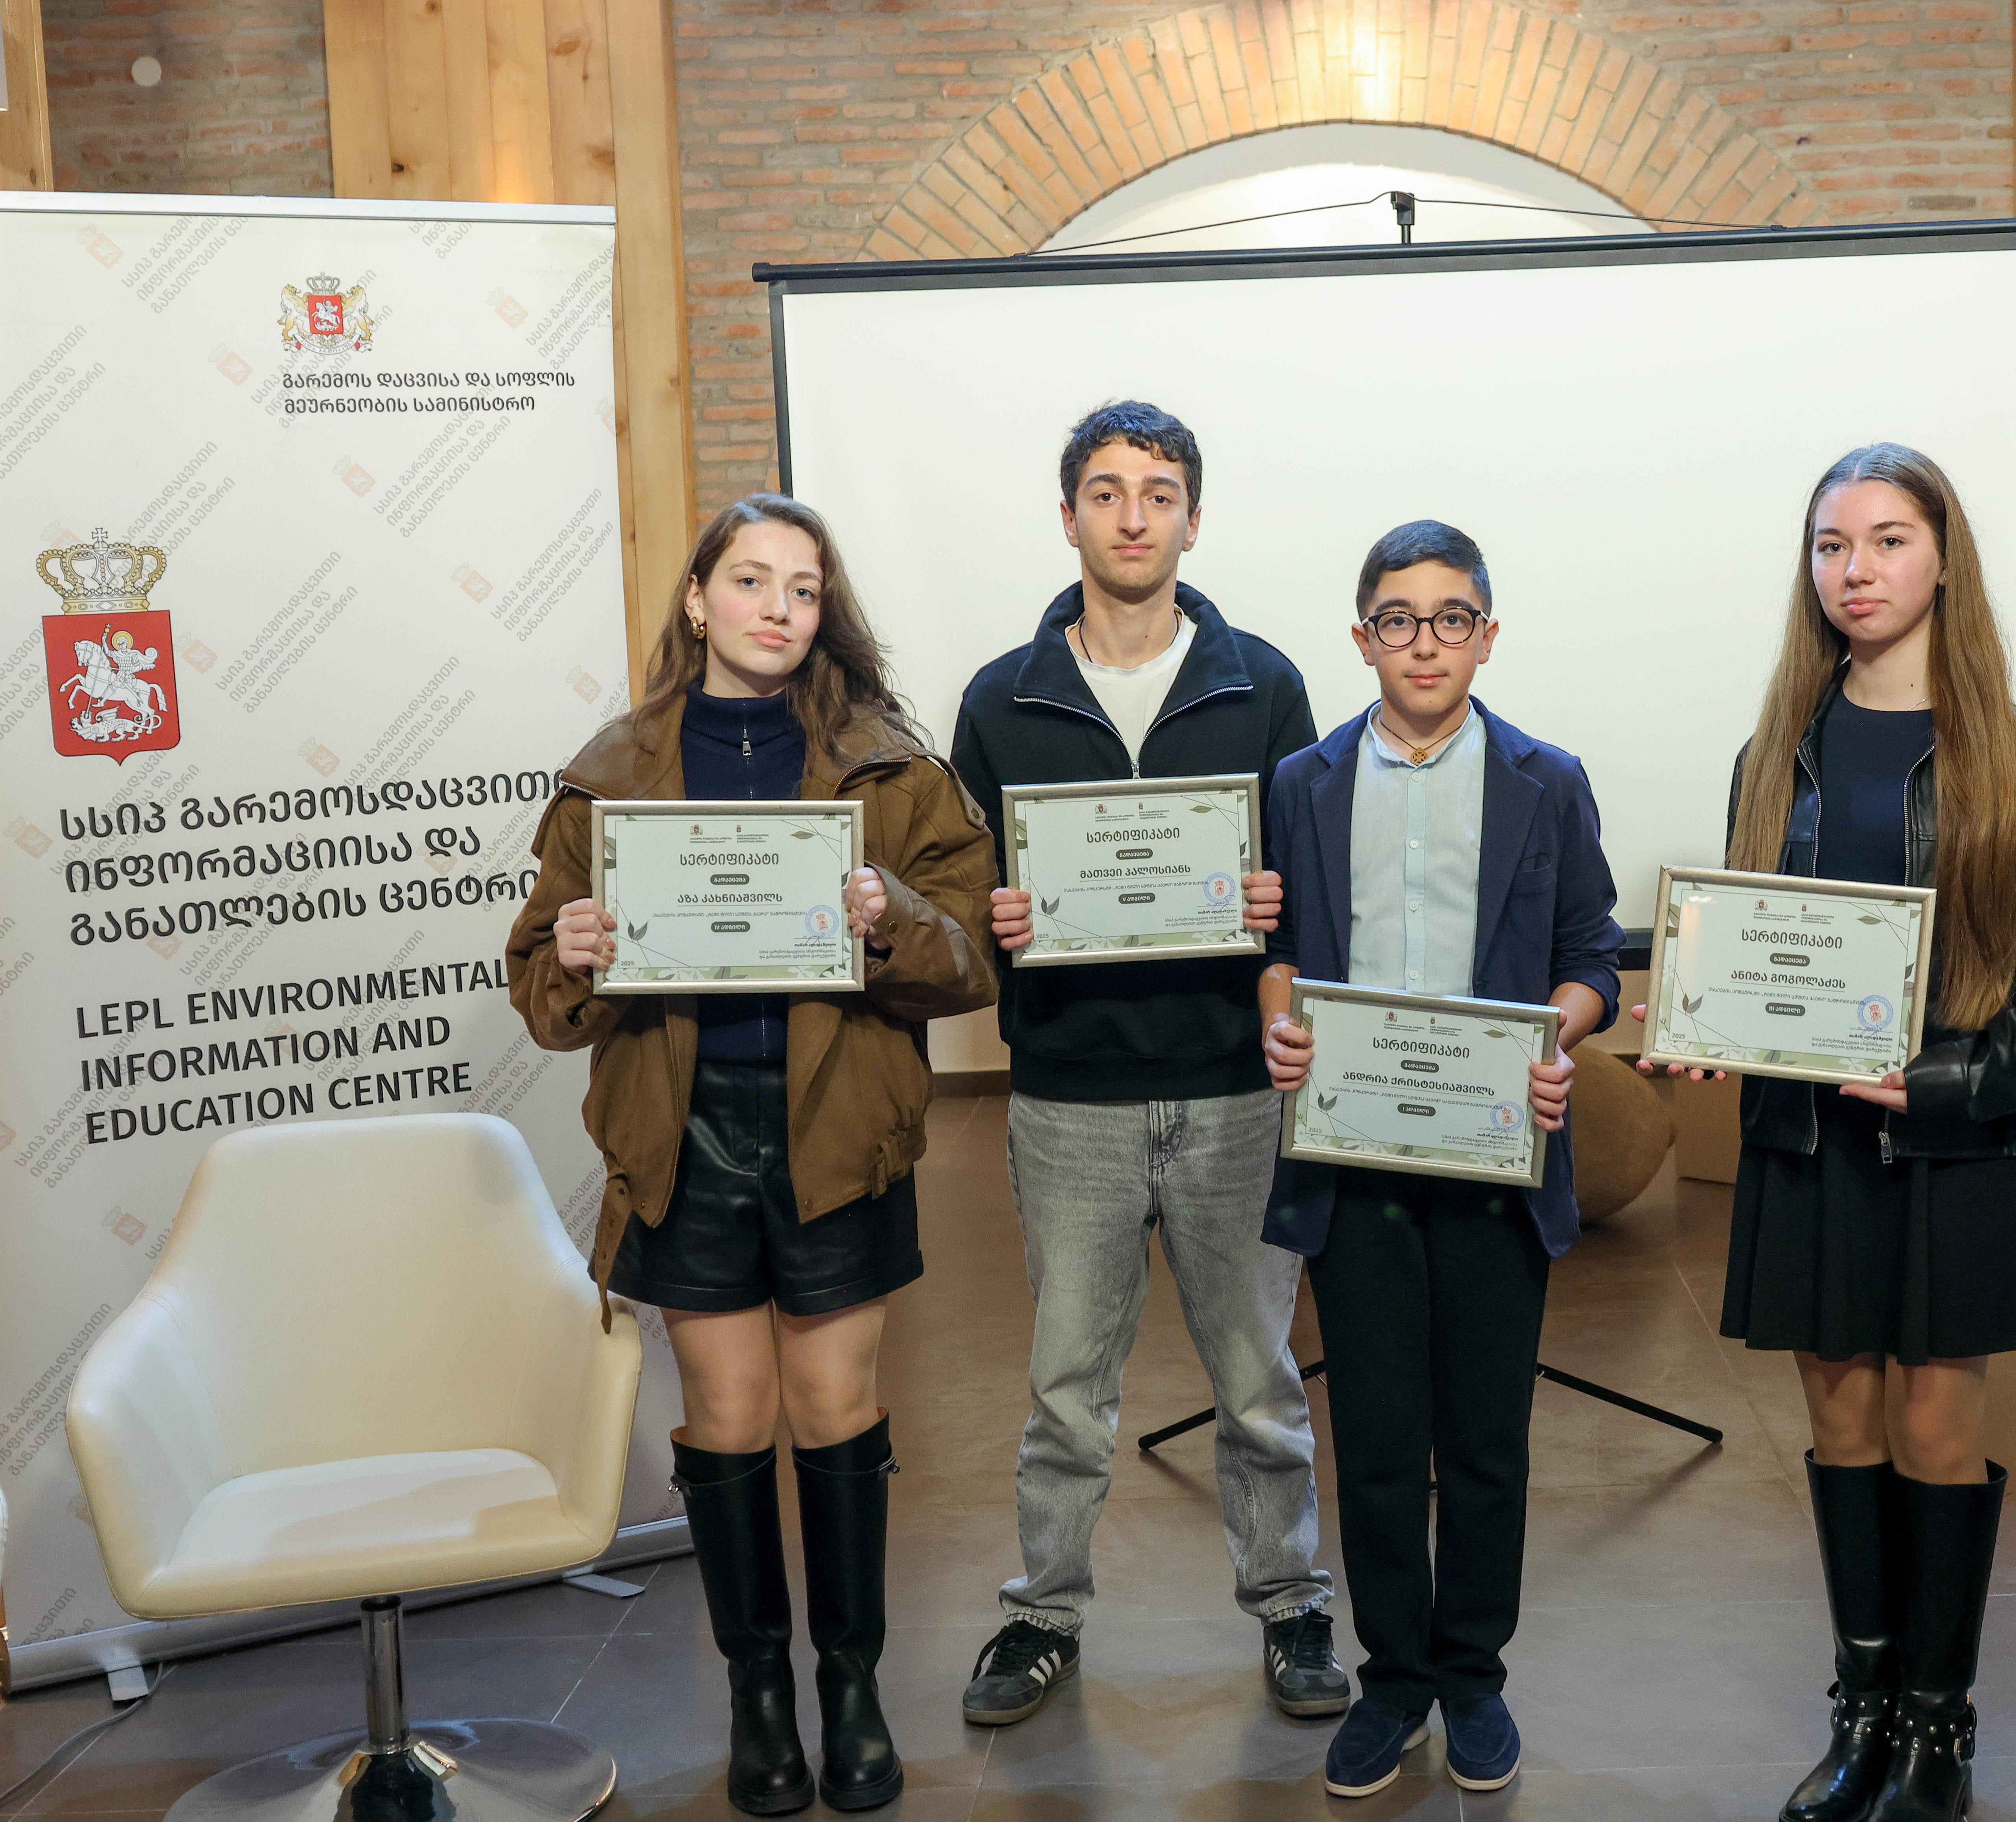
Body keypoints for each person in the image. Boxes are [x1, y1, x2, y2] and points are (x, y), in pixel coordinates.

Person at [507, 493, 1000, 1816]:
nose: (777, 609)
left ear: (823, 613)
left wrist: (893, 916)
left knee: (836, 1410)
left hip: (838, 1132)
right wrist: (575, 954)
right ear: (697, 599)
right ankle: (759, 1696)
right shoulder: (610, 775)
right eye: (750, 581)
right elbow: (541, 987)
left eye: (803, 589)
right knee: (728, 1419)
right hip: (685, 1140)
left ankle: (853, 1686)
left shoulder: (892, 769)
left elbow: (970, 960)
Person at [1639, 443, 2016, 1822]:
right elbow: (1751, 952)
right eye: (1833, 545)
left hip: (1953, 1145)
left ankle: (1941, 1729)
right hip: (1808, 1146)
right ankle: (1866, 1710)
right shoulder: (1774, 752)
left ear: (1943, 559)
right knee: (1840, 1423)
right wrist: (1710, 1024)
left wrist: (1951, 1084)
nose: (1857, 570)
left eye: (1889, 540)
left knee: (1937, 1431)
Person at [947, 401, 1347, 1726]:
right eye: (1108, 493)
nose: (1134, 516)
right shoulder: (999, 698)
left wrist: (1276, 900)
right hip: (1072, 1097)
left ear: (1193, 519)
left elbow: (1308, 883)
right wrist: (1001, 919)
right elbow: (961, 897)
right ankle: (1043, 1614)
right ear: (1068, 517)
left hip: (1236, 1088)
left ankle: (1292, 1605)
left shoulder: (1265, 683)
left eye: (1159, 493)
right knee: (1068, 1391)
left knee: (1259, 1382)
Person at [1260, 520, 1624, 1800]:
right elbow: (1280, 950)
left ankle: (1472, 1675)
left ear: (1488, 635)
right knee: (1372, 1437)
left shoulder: (1548, 780)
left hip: (1494, 1167)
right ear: (1363, 638)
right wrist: (1279, 1022)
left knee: (1484, 1440)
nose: (1427, 643)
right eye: (1400, 620)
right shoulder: (1302, 783)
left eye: (1452, 618)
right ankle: (1393, 1679)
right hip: (1354, 1166)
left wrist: (1556, 1036)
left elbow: (1591, 956)